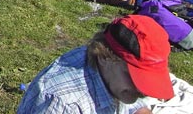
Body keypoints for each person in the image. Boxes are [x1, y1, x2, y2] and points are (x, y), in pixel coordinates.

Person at [17, 14, 175, 113]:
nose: (142, 90)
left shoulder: (113, 76)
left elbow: (134, 105)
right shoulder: (65, 104)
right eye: (135, 77)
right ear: (105, 56)